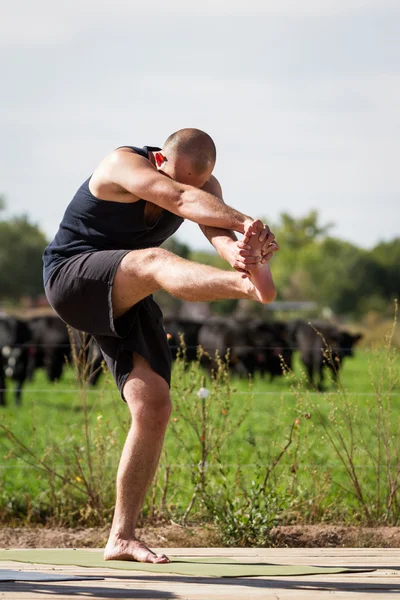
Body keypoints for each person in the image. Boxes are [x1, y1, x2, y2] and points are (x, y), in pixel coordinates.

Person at [43, 128, 279, 564]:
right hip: (72, 278)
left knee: (154, 404)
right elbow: (183, 202)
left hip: (125, 289)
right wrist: (248, 223)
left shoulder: (205, 189)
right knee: (156, 261)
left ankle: (122, 536)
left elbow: (219, 235)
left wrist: (247, 251)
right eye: (181, 180)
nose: (191, 190)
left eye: (199, 184)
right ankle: (247, 291)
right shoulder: (123, 164)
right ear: (161, 163)